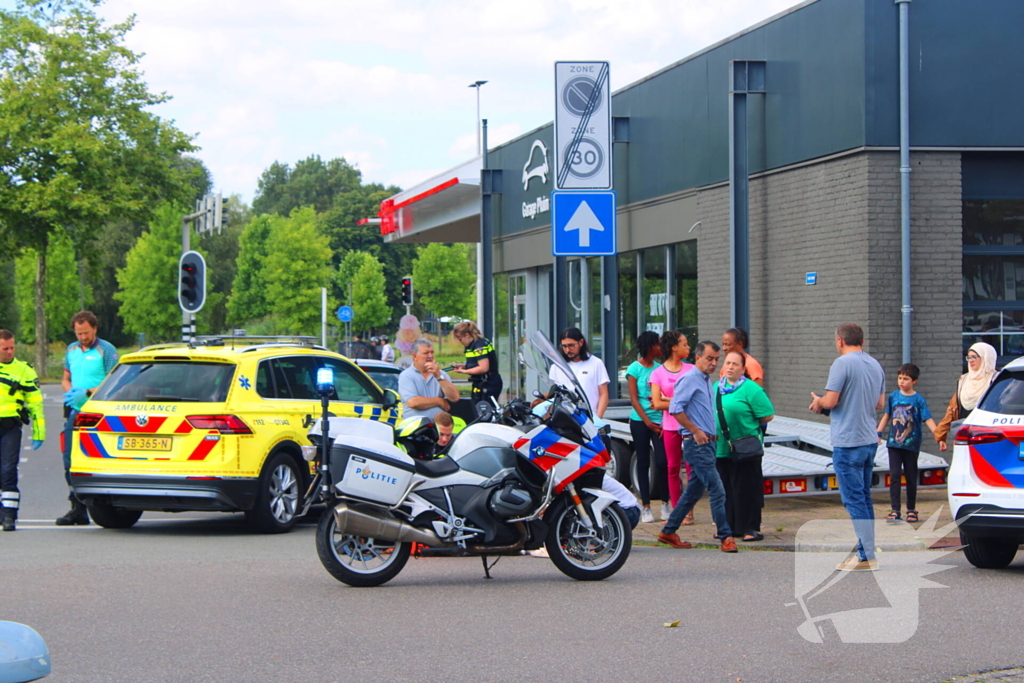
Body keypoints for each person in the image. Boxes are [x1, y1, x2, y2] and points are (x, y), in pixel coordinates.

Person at [809, 323, 885, 572]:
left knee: (853, 500)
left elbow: (831, 400)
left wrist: (819, 402)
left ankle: (866, 555)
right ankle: (867, 549)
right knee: (863, 497)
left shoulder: (841, 364)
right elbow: (879, 403)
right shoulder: (875, 364)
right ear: (861, 340)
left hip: (848, 440)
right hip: (868, 438)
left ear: (840, 340)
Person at [656, 341, 738, 553]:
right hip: (697, 444)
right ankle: (725, 536)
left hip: (708, 443)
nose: (713, 363)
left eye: (716, 359)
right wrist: (696, 430)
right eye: (709, 358)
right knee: (717, 490)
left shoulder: (705, 381)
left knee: (693, 492)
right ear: (697, 358)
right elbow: (675, 408)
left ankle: (669, 531)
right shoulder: (690, 378)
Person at [58, 311, 119, 526]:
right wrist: (69, 391)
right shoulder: (71, 349)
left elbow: (115, 382)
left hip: (99, 413)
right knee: (70, 459)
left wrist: (87, 392)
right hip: (76, 411)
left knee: (98, 459)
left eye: (86, 333)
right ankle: (77, 507)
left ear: (95, 328)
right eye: (78, 333)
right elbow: (66, 377)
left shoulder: (107, 350)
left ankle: (105, 505)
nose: (83, 337)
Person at [715, 350, 775, 542]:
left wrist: (747, 427)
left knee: (747, 487)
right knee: (725, 487)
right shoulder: (716, 387)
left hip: (745, 447)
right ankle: (728, 527)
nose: (730, 367)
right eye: (728, 363)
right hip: (721, 447)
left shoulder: (751, 389)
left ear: (743, 369)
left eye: (735, 364)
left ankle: (750, 527)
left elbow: (767, 415)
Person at [876, 363, 938, 524]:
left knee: (911, 476)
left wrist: (939, 436)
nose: (902, 381)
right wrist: (878, 433)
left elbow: (927, 418)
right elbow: (887, 415)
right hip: (894, 445)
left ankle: (911, 509)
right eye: (900, 378)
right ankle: (895, 509)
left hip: (912, 444)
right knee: (895, 476)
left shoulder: (918, 399)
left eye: (906, 379)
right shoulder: (893, 397)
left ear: (914, 381)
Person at [0, 331, 45, 532]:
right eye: (5, 349)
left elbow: (36, 404)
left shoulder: (25, 371)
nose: (10, 352)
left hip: (10, 426)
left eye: (12, 348)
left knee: (8, 470)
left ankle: (9, 515)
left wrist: (39, 432)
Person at [649, 330, 694, 523]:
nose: (688, 347)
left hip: (690, 426)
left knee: (692, 468)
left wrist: (670, 400)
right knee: (673, 468)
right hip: (669, 427)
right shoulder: (658, 373)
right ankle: (678, 510)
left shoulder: (691, 370)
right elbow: (657, 404)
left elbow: (694, 401)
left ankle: (690, 510)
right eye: (685, 343)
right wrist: (677, 402)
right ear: (674, 347)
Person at [625, 331, 666, 524]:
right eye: (658, 344)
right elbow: (634, 399)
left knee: (662, 461)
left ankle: (666, 503)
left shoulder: (660, 369)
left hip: (660, 420)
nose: (661, 347)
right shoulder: (634, 369)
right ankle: (646, 507)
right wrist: (647, 422)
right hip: (640, 421)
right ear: (650, 347)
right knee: (643, 462)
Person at [934, 342, 998, 451]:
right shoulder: (963, 381)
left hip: (986, 436)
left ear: (986, 357)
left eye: (975, 357)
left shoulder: (995, 380)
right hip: (964, 437)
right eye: (969, 357)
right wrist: (940, 436)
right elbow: (952, 409)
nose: (971, 360)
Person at [547, 328, 610, 419]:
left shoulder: (596, 363)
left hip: (589, 418)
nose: (568, 350)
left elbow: (603, 393)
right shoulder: (557, 366)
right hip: (565, 418)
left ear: (581, 342)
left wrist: (598, 418)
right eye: (564, 346)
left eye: (571, 345)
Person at [397, 338, 460, 420]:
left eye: (432, 352)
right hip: (415, 425)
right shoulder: (406, 375)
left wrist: (438, 375)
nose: (430, 356)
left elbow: (455, 398)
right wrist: (439, 401)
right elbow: (413, 402)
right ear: (415, 356)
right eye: (426, 353)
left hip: (439, 426)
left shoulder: (441, 374)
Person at [451, 321, 503, 406]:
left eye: (460, 339)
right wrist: (464, 366)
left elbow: (483, 368)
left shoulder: (479, 346)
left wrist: (464, 371)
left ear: (467, 335)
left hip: (489, 383)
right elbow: (477, 364)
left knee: (485, 410)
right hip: (480, 382)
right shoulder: (472, 345)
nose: (460, 342)